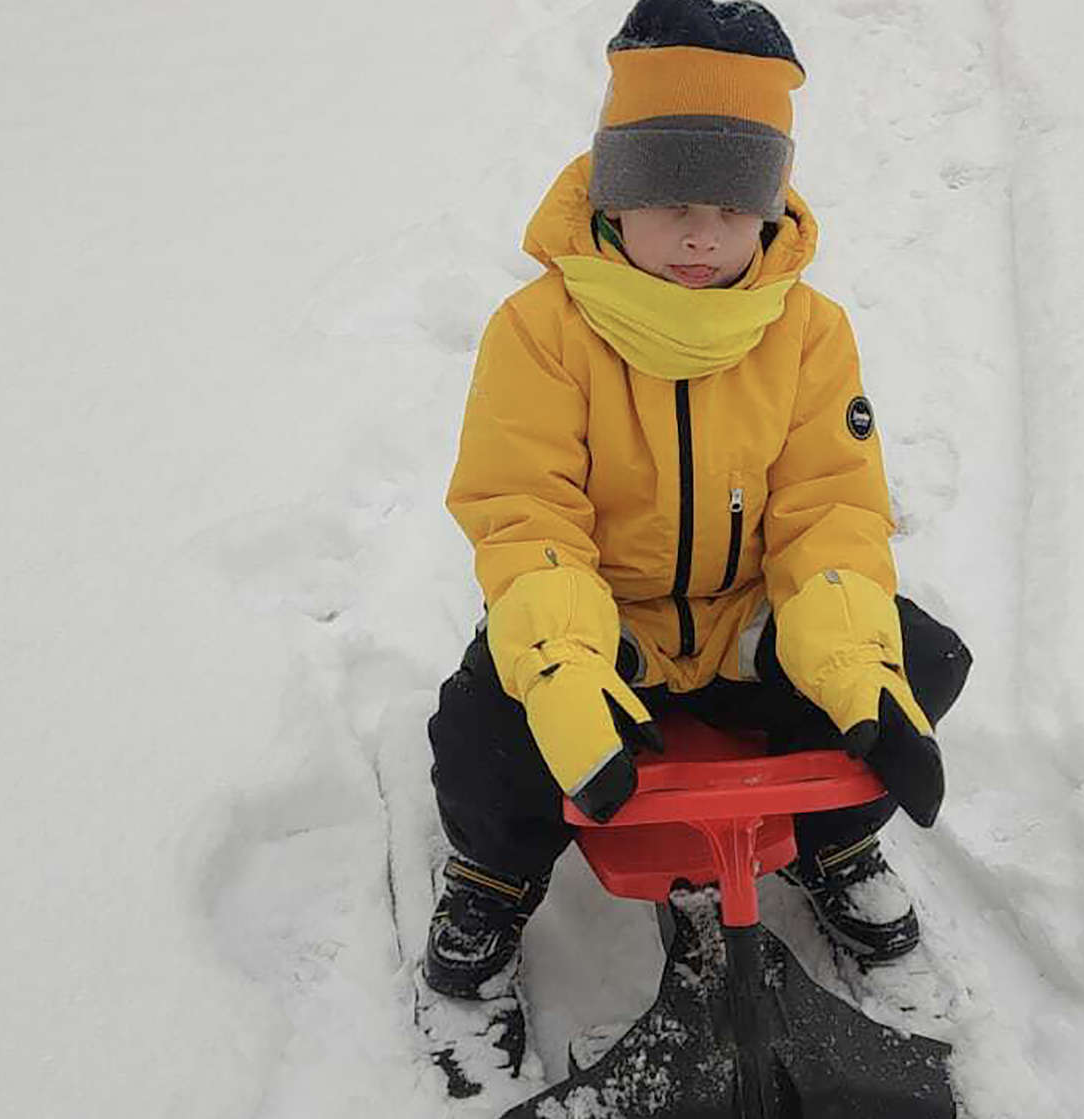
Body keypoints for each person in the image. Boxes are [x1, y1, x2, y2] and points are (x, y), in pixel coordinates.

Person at [419, 0, 971, 1077]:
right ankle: (488, 889)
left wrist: (852, 665)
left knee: (912, 666)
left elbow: (828, 519)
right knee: (487, 728)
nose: (701, 235)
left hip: (742, 629)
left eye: (730, 205)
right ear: (615, 191)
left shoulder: (808, 334)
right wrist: (570, 670)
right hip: (599, 627)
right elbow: (525, 517)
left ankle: (835, 844)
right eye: (670, 198)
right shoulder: (539, 334)